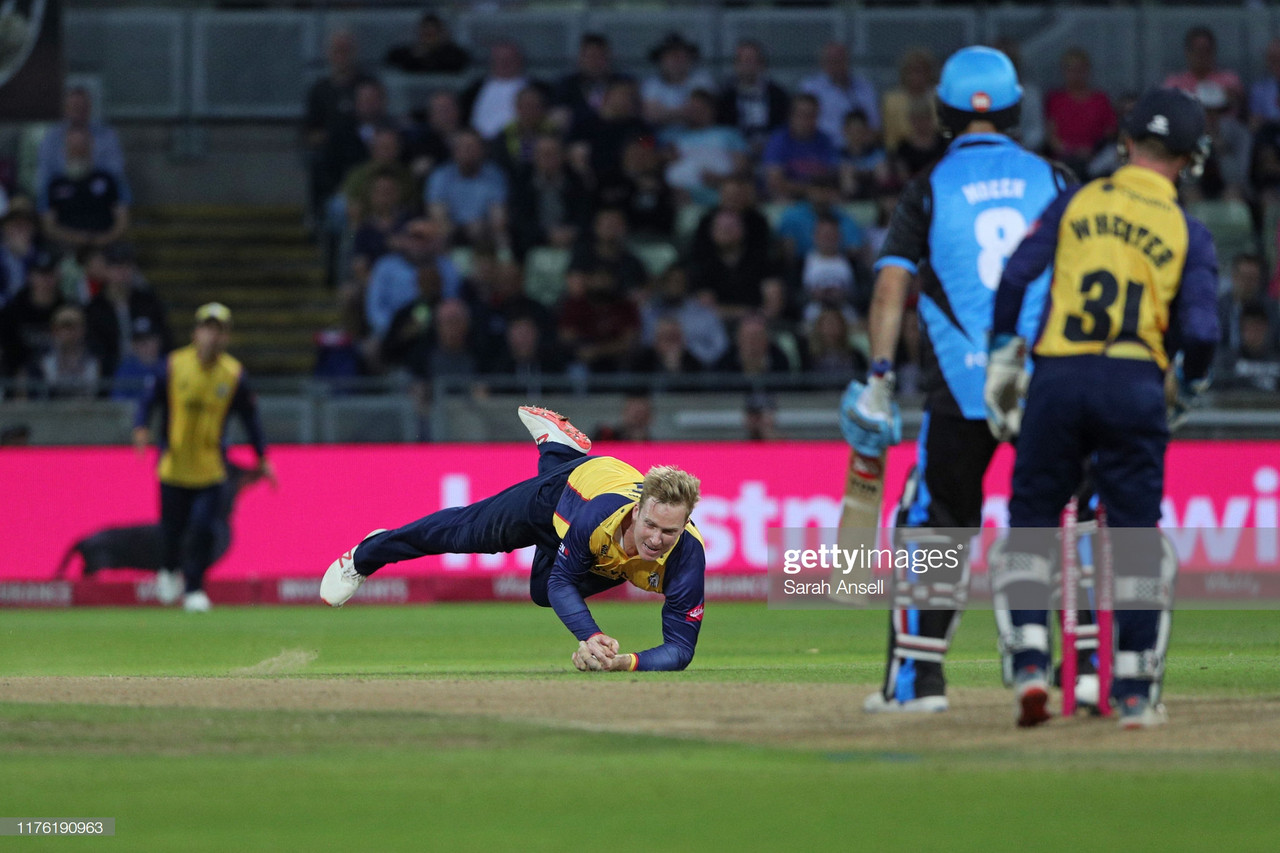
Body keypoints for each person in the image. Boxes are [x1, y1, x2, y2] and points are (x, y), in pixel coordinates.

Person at [843, 46, 1074, 714]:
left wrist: (879, 376)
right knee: (1048, 522)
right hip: (1041, 385)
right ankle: (1068, 668)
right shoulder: (1054, 178)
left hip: (960, 389)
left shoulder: (931, 185)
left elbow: (892, 285)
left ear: (942, 110)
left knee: (936, 527)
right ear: (1013, 108)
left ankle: (918, 684)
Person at [985, 87, 1219, 728]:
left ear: (1125, 144)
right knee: (1135, 536)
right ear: (1191, 157)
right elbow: (1201, 332)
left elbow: (1014, 276)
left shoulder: (1078, 200)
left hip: (1058, 376)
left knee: (1032, 517)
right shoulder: (1186, 231)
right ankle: (1135, 684)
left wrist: (1004, 352)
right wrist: (1189, 385)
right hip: (1134, 380)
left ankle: (1031, 657)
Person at [321, 407, 707, 673]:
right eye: (650, 526)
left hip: (583, 537)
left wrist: (619, 661)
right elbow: (564, 581)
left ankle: (558, 448)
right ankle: (368, 554)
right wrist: (591, 636)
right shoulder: (598, 514)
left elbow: (681, 650)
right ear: (637, 511)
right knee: (462, 534)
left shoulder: (687, 557)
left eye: (669, 532)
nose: (655, 541)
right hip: (559, 497)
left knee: (540, 591)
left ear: (685, 524)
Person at [133, 303, 277, 612]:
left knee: (202, 530)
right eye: (207, 328)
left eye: (219, 330)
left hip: (211, 470)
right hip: (173, 468)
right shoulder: (173, 365)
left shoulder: (233, 374)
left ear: (226, 336)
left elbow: (251, 419)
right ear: (196, 332)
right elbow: (148, 401)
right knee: (172, 530)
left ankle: (195, 587)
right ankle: (170, 569)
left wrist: (262, 456)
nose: (212, 336)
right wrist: (141, 428)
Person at [383, 12, 470, 74]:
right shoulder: (405, 53)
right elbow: (390, 62)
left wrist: (432, 54)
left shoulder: (454, 55)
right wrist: (416, 55)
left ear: (442, 34)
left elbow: (459, 65)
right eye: (426, 34)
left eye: (433, 34)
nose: (429, 39)